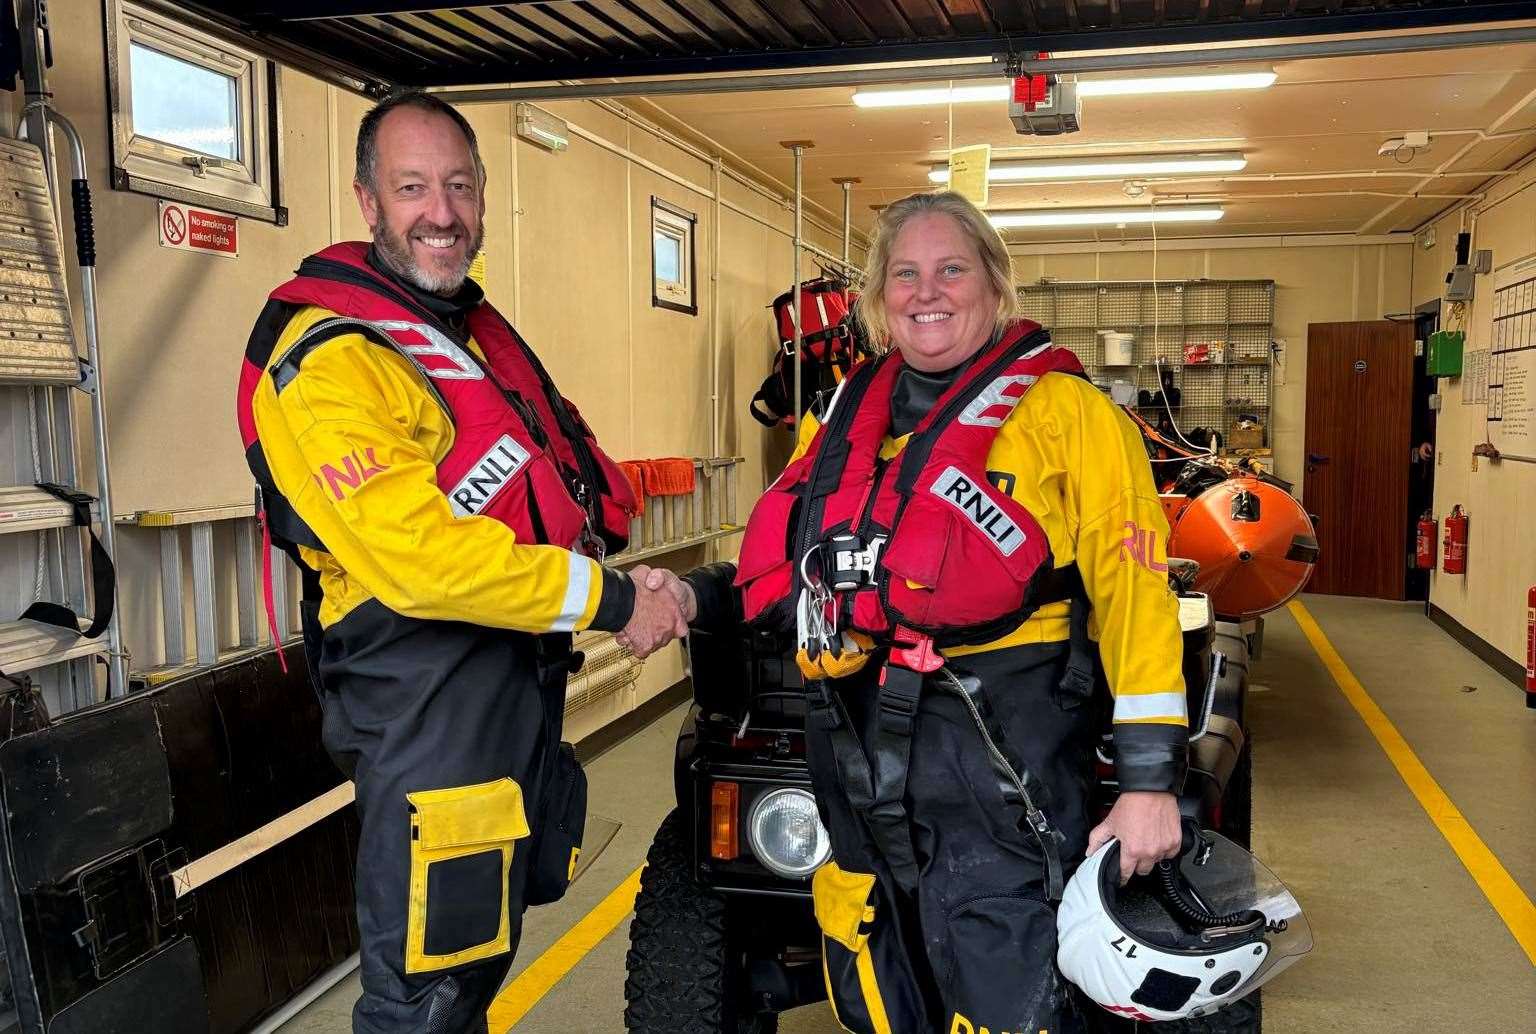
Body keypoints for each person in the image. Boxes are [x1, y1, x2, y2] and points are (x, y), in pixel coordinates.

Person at [652, 191, 1189, 1033]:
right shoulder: (837, 420)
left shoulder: (1073, 417)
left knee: (1010, 984)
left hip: (1002, 758)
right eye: (904, 273)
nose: (925, 292)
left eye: (951, 269)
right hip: (856, 755)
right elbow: (790, 558)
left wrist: (1152, 781)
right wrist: (694, 592)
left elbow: (1136, 594)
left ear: (995, 285)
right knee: (877, 974)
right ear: (877, 297)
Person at [235, 91, 687, 1034]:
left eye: (458, 187)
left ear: (482, 198)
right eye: (412, 188)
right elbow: (425, 563)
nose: (440, 212)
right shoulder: (328, 362)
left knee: (473, 966)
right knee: (426, 996)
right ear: (367, 201)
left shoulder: (451, 334)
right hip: (425, 703)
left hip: (504, 687)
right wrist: (614, 601)